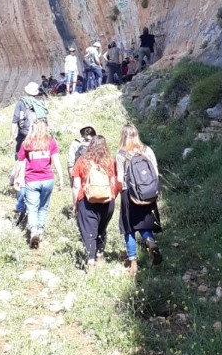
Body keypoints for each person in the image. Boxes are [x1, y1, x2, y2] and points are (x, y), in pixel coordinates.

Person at [116, 123, 162, 275]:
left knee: (129, 228)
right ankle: (150, 241)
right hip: (147, 194)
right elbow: (155, 172)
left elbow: (119, 179)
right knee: (145, 224)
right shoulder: (147, 150)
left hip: (130, 195)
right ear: (137, 135)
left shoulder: (121, 154)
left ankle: (133, 262)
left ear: (123, 136)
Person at [72, 135, 118, 269]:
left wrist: (75, 203)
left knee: (89, 231)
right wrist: (113, 197)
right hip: (107, 202)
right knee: (101, 229)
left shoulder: (82, 161)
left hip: (87, 202)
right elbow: (114, 182)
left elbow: (76, 185)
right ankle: (100, 255)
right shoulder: (110, 161)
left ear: (90, 145)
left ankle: (90, 261)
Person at [16, 118, 63, 248]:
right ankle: (40, 232)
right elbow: (56, 161)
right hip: (48, 179)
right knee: (43, 206)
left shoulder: (27, 143)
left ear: (33, 128)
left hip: (32, 180)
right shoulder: (51, 143)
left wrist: (17, 178)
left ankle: (34, 231)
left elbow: (19, 162)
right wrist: (61, 178)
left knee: (32, 207)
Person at [10, 81, 48, 154]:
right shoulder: (39, 104)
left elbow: (15, 121)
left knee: (19, 155)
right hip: (38, 134)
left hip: (23, 134)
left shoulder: (21, 102)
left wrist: (11, 138)